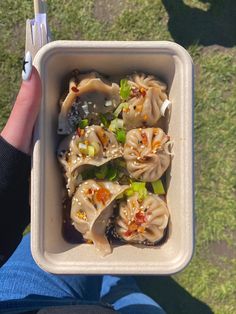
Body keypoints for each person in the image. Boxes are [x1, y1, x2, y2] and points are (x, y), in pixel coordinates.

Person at [0, 55, 165, 314]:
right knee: (138, 303)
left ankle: (116, 279)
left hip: (16, 297)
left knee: (111, 278)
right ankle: (121, 283)